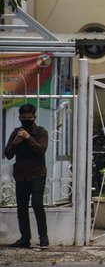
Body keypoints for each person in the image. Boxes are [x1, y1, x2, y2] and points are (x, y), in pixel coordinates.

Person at [5, 104, 49, 248]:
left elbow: (41, 150)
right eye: (24, 118)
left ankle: (43, 238)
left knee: (37, 205)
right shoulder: (16, 132)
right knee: (21, 208)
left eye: (29, 118)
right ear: (20, 118)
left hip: (37, 173)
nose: (26, 120)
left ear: (34, 117)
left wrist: (28, 137)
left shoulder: (41, 132)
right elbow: (8, 154)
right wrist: (15, 143)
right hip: (21, 175)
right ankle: (25, 238)